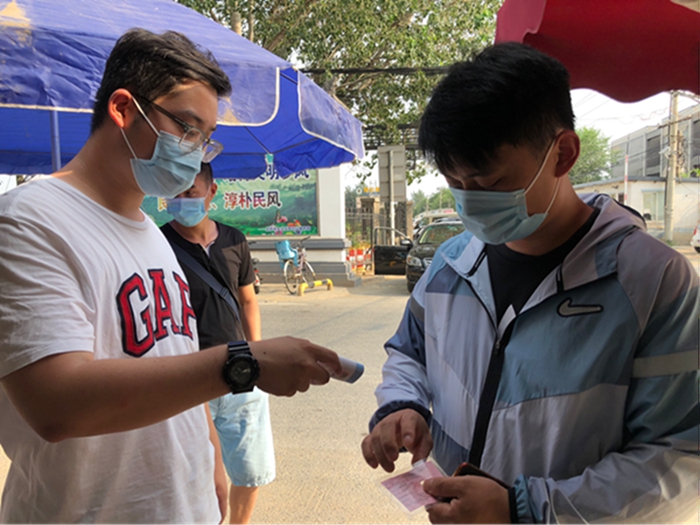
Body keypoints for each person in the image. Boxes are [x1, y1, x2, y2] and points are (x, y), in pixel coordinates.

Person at [0, 28, 341, 524]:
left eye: (205, 139)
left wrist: (209, 456)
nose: (195, 151)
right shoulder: (28, 221)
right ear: (123, 109)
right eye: (187, 128)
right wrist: (243, 362)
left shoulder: (152, 235)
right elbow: (57, 404)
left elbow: (174, 357)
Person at [361, 42, 699, 524]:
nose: (469, 202)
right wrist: (403, 404)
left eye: (488, 183)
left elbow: (679, 458)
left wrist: (523, 511)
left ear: (563, 153)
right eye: (455, 183)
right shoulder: (449, 265)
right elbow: (408, 353)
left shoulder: (653, 282)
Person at [161, 162, 275, 524]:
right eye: (175, 192)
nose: (182, 199)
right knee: (194, 473)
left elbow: (248, 301)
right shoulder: (158, 244)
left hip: (241, 372)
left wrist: (258, 354)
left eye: (191, 192)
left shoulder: (234, 240)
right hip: (188, 377)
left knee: (251, 470)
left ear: (211, 192)